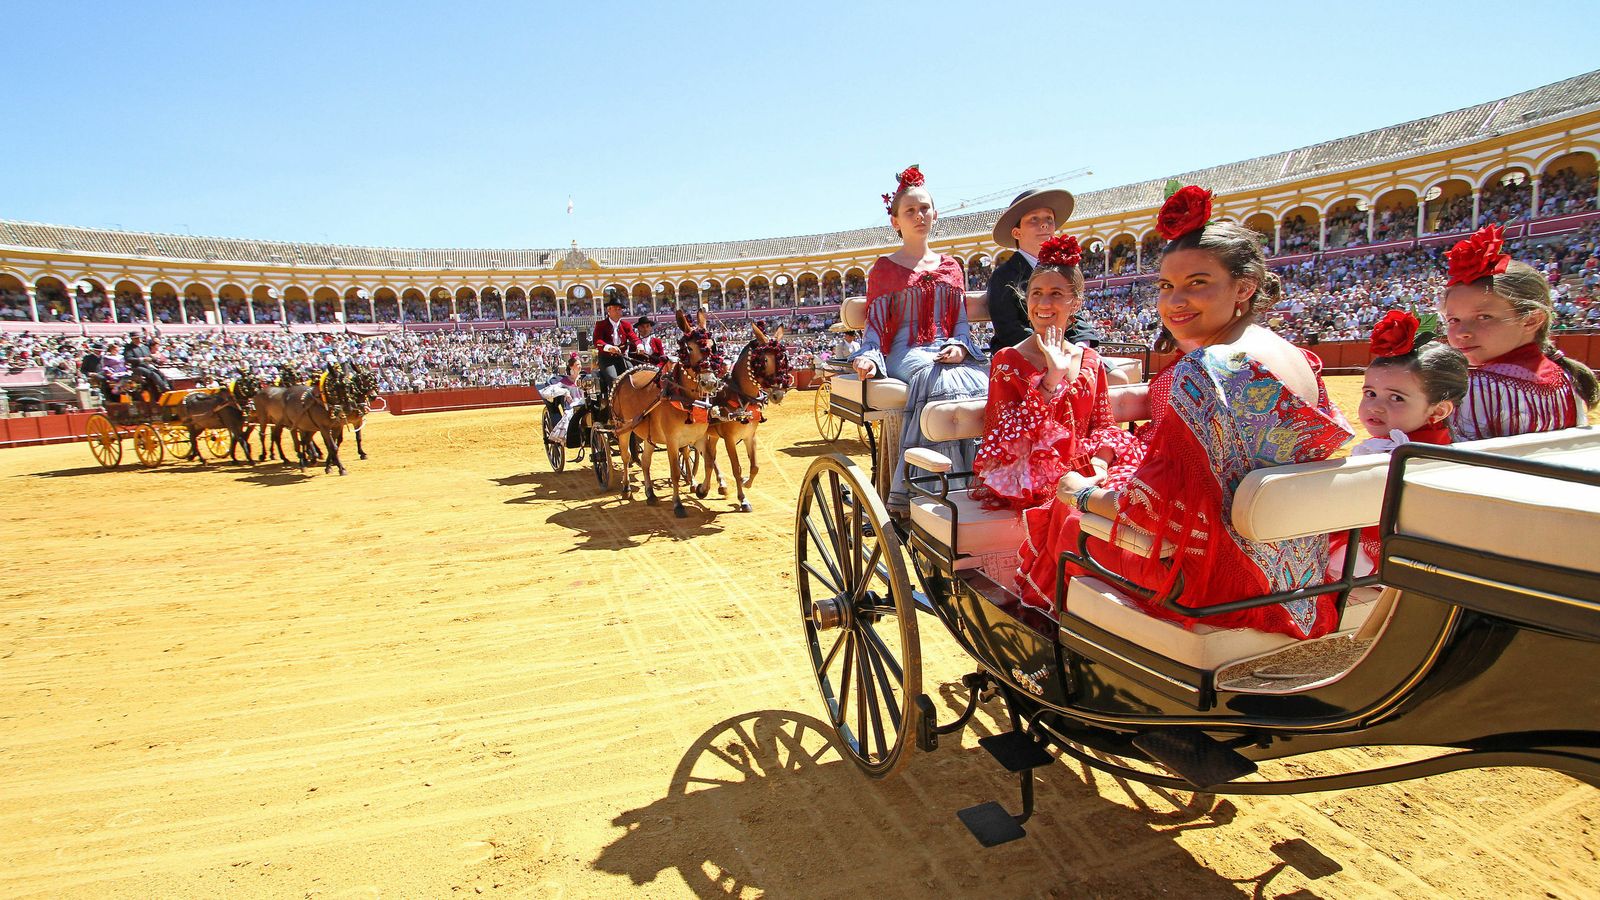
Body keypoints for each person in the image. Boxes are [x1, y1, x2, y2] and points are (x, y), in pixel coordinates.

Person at [1033, 186, 1353, 639]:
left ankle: (1064, 656)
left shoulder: (1209, 368)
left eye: (1197, 283)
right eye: (1166, 286)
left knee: (1063, 519)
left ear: (1244, 287)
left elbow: (1145, 511)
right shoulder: (1297, 356)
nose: (1174, 301)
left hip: (1215, 589)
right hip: (1299, 581)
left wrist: (1078, 492)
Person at [972, 233, 1144, 513]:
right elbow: (1005, 438)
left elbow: (1103, 426)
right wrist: (1051, 379)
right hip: (1032, 477)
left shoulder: (1090, 360)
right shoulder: (1008, 361)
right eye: (1036, 293)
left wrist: (1099, 466)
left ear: (1075, 303)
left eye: (1056, 294)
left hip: (1089, 471)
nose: (1043, 304)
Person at [851, 164, 988, 512]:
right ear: (895, 221)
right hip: (905, 351)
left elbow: (959, 324)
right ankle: (937, 485)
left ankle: (978, 479)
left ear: (935, 214)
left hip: (946, 348)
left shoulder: (951, 266)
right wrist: (868, 354)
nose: (919, 215)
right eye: (910, 210)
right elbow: (877, 328)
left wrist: (959, 346)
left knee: (980, 378)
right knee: (936, 377)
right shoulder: (884, 268)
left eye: (924, 208)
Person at [1327, 310, 1468, 578]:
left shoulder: (1403, 458)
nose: (1375, 406)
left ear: (1438, 411)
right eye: (1370, 393)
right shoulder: (1409, 446)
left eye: (1396, 398)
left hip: (1373, 570)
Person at [1440, 224, 1599, 440]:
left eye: (1484, 317)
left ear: (1531, 320)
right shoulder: (1568, 377)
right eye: (1453, 320)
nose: (1462, 333)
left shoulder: (1468, 388)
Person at [985, 188, 1102, 355]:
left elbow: (1076, 317)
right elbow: (1009, 329)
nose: (1044, 224)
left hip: (1066, 350)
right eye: (1034, 219)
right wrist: (1052, 350)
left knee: (1116, 375)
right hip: (1025, 354)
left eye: (1049, 218)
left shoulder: (1062, 270)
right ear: (1017, 233)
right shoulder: (1003, 275)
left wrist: (1080, 346)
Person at [592, 298, 638, 397]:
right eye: (616, 309)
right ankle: (614, 403)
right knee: (613, 379)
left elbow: (633, 337)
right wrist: (609, 347)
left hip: (621, 358)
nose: (618, 311)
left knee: (633, 375)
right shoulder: (601, 325)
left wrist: (639, 345)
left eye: (620, 309)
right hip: (607, 359)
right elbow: (597, 341)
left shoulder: (626, 325)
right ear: (609, 310)